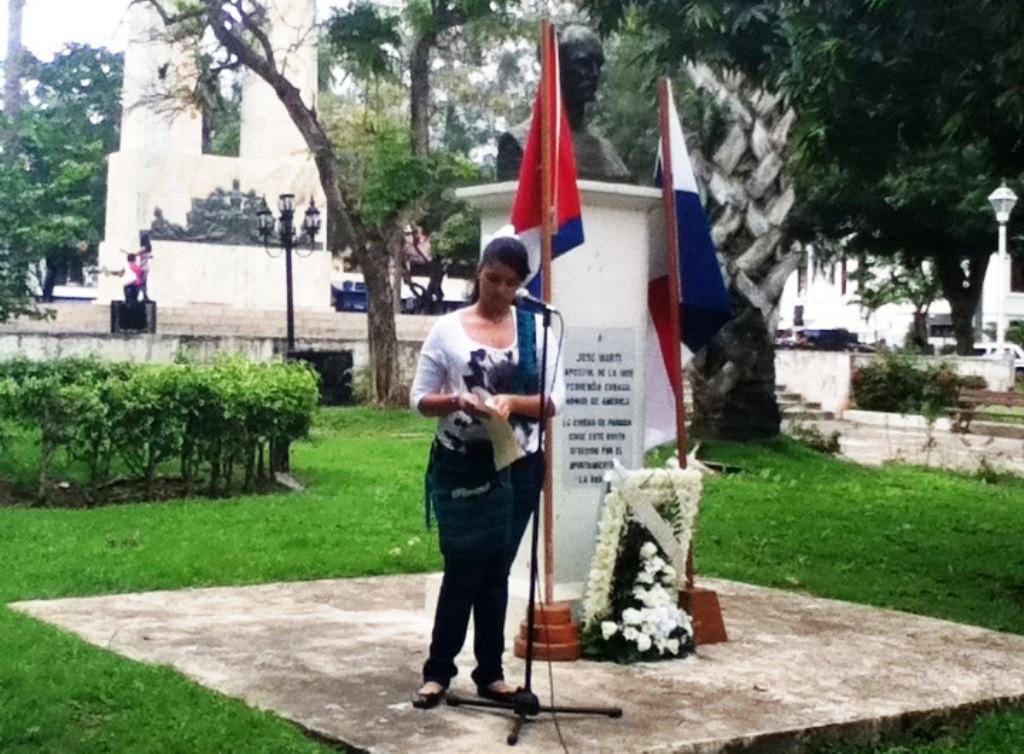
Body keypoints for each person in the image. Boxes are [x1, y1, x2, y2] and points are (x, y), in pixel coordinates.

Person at [408, 236, 565, 709]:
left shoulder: (537, 331)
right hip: (462, 463)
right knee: (463, 565)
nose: (499, 290)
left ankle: (491, 673)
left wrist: (511, 401)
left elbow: (554, 400)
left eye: (510, 283)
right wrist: (457, 400)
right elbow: (419, 399)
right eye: (492, 278)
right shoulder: (448, 330)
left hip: (518, 464)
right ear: (479, 272)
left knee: (497, 567)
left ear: (521, 285)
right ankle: (438, 672)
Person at [496, 24, 632, 183]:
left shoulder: (609, 154)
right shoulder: (519, 144)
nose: (595, 73)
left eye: (599, 65)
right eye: (583, 63)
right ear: (554, 67)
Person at [137, 233, 153, 302]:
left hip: (142, 268)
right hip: (146, 268)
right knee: (143, 283)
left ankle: (142, 295)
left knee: (141, 283)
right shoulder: (147, 249)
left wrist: (132, 254)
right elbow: (151, 256)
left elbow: (137, 253)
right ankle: (145, 296)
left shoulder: (143, 248)